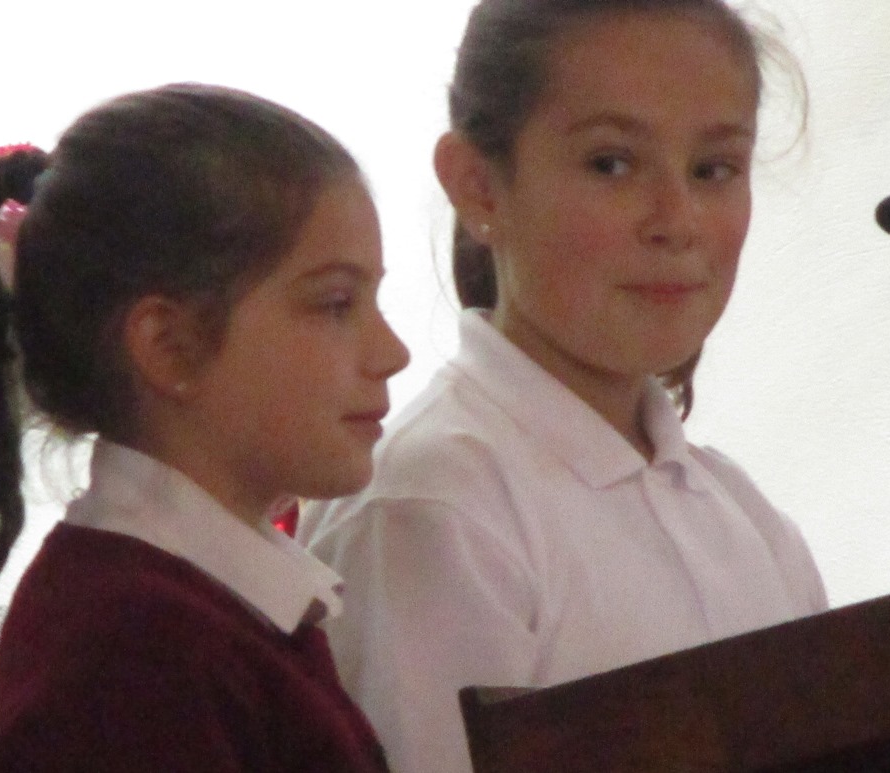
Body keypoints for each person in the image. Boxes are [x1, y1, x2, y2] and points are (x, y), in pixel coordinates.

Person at [297, 1, 828, 771]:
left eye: (713, 170)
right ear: (479, 186)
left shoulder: (745, 518)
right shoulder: (432, 508)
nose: (676, 220)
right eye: (612, 163)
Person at [0, 83, 409, 771]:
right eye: (334, 303)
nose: (392, 352)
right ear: (169, 346)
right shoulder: (128, 671)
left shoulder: (208, 615)